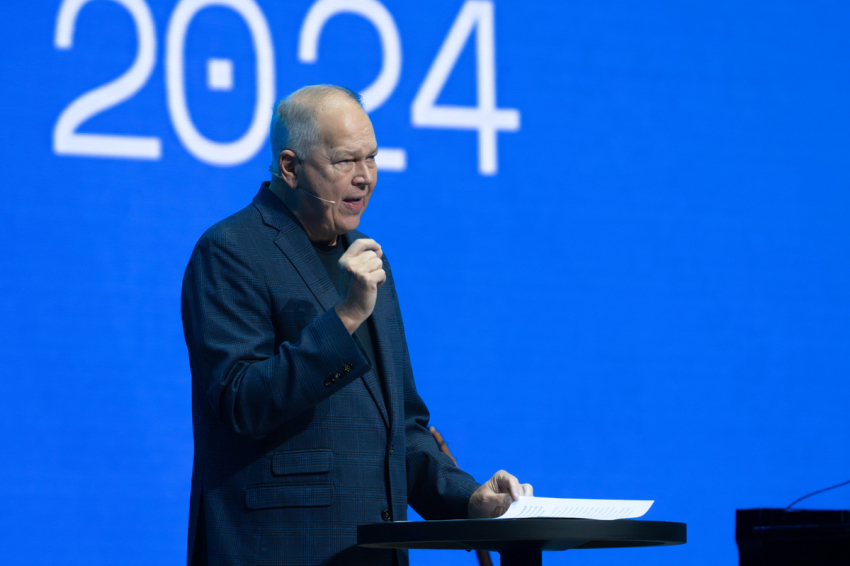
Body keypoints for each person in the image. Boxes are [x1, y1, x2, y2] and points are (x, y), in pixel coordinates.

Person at [181, 84, 532, 566]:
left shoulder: (366, 256)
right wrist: (345, 317)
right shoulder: (231, 251)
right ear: (290, 167)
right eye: (346, 161)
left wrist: (469, 500)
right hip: (277, 550)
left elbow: (401, 429)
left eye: (371, 158)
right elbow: (243, 402)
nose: (365, 177)